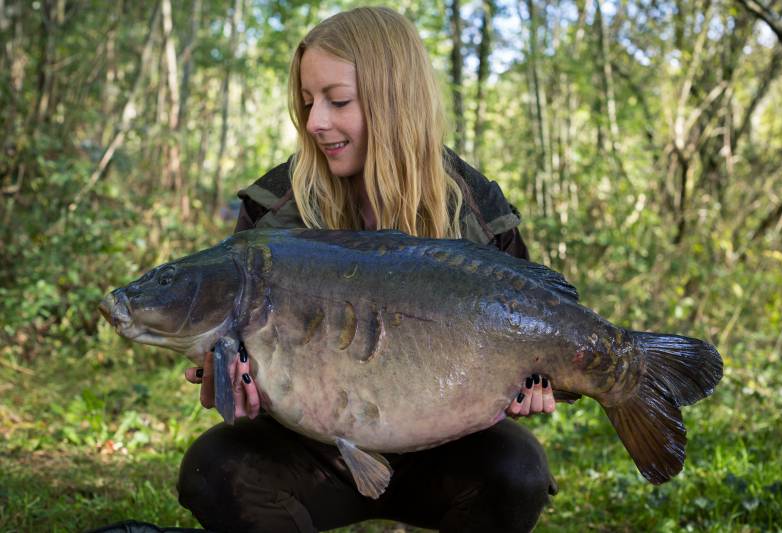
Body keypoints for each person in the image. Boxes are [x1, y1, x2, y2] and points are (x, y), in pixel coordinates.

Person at [178, 7, 559, 532]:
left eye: (337, 101)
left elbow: (530, 333)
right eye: (308, 103)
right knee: (212, 468)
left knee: (517, 471)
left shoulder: (477, 207)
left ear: (394, 99)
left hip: (443, 449)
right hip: (313, 453)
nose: (315, 123)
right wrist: (234, 386)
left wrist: (531, 384)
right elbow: (244, 356)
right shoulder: (272, 209)